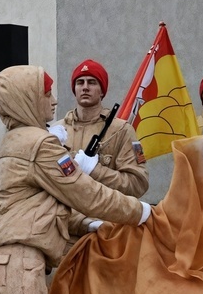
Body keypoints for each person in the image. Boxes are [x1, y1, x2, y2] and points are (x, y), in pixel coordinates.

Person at [0, 65, 151, 294]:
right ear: (28, 99)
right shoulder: (44, 141)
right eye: (47, 94)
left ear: (102, 89)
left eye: (91, 82)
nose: (55, 100)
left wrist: (89, 221)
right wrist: (143, 213)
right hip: (26, 267)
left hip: (7, 265)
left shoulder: (14, 141)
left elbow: (43, 205)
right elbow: (85, 194)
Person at [54, 59, 148, 199]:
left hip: (105, 218)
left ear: (102, 91)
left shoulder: (122, 130)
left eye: (92, 82)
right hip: (66, 217)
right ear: (74, 89)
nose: (85, 87)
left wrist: (96, 170)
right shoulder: (58, 130)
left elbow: (138, 184)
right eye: (80, 82)